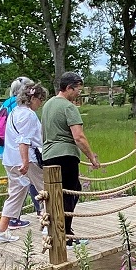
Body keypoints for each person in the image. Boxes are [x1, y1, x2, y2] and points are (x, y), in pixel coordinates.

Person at [40, 72, 100, 245]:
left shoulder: (48, 105)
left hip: (49, 155)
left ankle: (59, 231)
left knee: (56, 195)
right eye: (77, 90)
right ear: (68, 88)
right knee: (69, 194)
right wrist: (92, 157)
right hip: (66, 155)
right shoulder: (68, 107)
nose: (79, 94)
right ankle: (65, 235)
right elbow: (78, 136)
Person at [0, 83, 47, 243]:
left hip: (10, 159)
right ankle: (48, 226)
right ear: (32, 98)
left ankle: (1, 230)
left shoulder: (15, 112)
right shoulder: (28, 115)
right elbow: (24, 140)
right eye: (40, 99)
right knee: (46, 190)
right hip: (28, 160)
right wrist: (25, 162)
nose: (41, 103)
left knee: (16, 194)